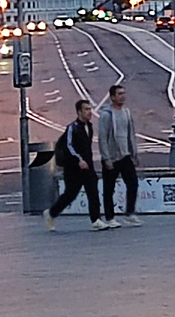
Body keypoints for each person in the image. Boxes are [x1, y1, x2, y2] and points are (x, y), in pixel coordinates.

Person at [44, 99, 108, 232]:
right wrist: (79, 160)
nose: (89, 112)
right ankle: (51, 213)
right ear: (79, 112)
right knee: (70, 194)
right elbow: (69, 146)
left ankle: (96, 220)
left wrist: (87, 162)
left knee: (93, 191)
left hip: (87, 167)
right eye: (86, 109)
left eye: (90, 109)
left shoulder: (89, 127)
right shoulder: (72, 128)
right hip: (73, 168)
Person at [98, 84, 142, 228]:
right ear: (112, 97)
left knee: (133, 183)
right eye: (119, 94)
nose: (122, 96)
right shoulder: (106, 115)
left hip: (126, 155)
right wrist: (106, 158)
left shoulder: (127, 113)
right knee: (109, 188)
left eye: (123, 93)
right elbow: (103, 138)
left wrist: (134, 153)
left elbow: (131, 134)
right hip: (112, 157)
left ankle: (129, 213)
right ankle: (110, 217)